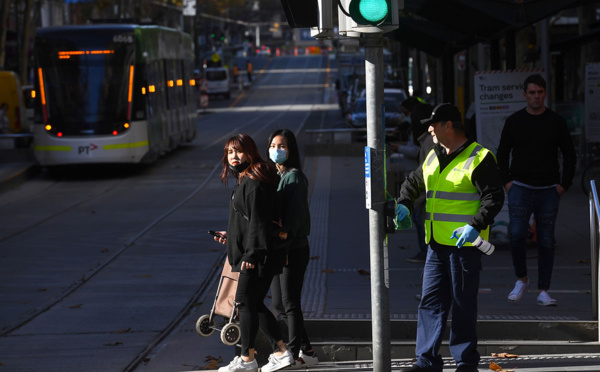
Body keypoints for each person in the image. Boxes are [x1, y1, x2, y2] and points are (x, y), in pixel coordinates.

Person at [396, 103, 505, 372]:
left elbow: (494, 197)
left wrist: (474, 225)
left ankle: (466, 363)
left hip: (463, 247)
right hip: (436, 246)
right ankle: (427, 361)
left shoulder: (480, 157)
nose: (429, 128)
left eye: (433, 124)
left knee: (462, 305)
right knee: (430, 303)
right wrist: (404, 202)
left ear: (449, 126)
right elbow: (414, 180)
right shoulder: (434, 153)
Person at [214, 134, 293, 372]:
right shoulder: (246, 179)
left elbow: (259, 222)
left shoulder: (254, 181)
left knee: (245, 302)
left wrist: (251, 255)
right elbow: (248, 221)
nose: (234, 157)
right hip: (257, 252)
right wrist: (231, 236)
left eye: (238, 151)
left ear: (250, 152)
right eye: (230, 153)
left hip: (258, 255)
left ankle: (248, 359)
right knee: (254, 303)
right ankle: (280, 351)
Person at [496, 74, 576, 307]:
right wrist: (507, 182)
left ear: (545, 94)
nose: (536, 96)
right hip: (520, 187)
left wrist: (564, 184)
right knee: (516, 235)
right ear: (525, 95)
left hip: (549, 189)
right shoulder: (514, 121)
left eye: (540, 92)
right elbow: (502, 153)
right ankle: (521, 279)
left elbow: (570, 154)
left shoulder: (556, 122)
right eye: (532, 93)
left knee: (546, 241)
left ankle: (543, 290)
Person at [265, 129, 319, 369]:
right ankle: (307, 351)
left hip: (292, 249)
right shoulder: (278, 176)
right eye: (274, 145)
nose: (277, 150)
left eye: (283, 145)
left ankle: (293, 354)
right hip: (282, 249)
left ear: (291, 149)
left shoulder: (293, 177)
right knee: (279, 304)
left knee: (289, 303)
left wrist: (282, 242)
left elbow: (294, 221)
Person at [390, 103, 435, 263]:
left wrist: (414, 196)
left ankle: (426, 252)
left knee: (420, 221)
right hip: (421, 191)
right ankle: (426, 252)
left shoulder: (428, 141)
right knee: (418, 220)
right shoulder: (424, 139)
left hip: (424, 194)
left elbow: (426, 171)